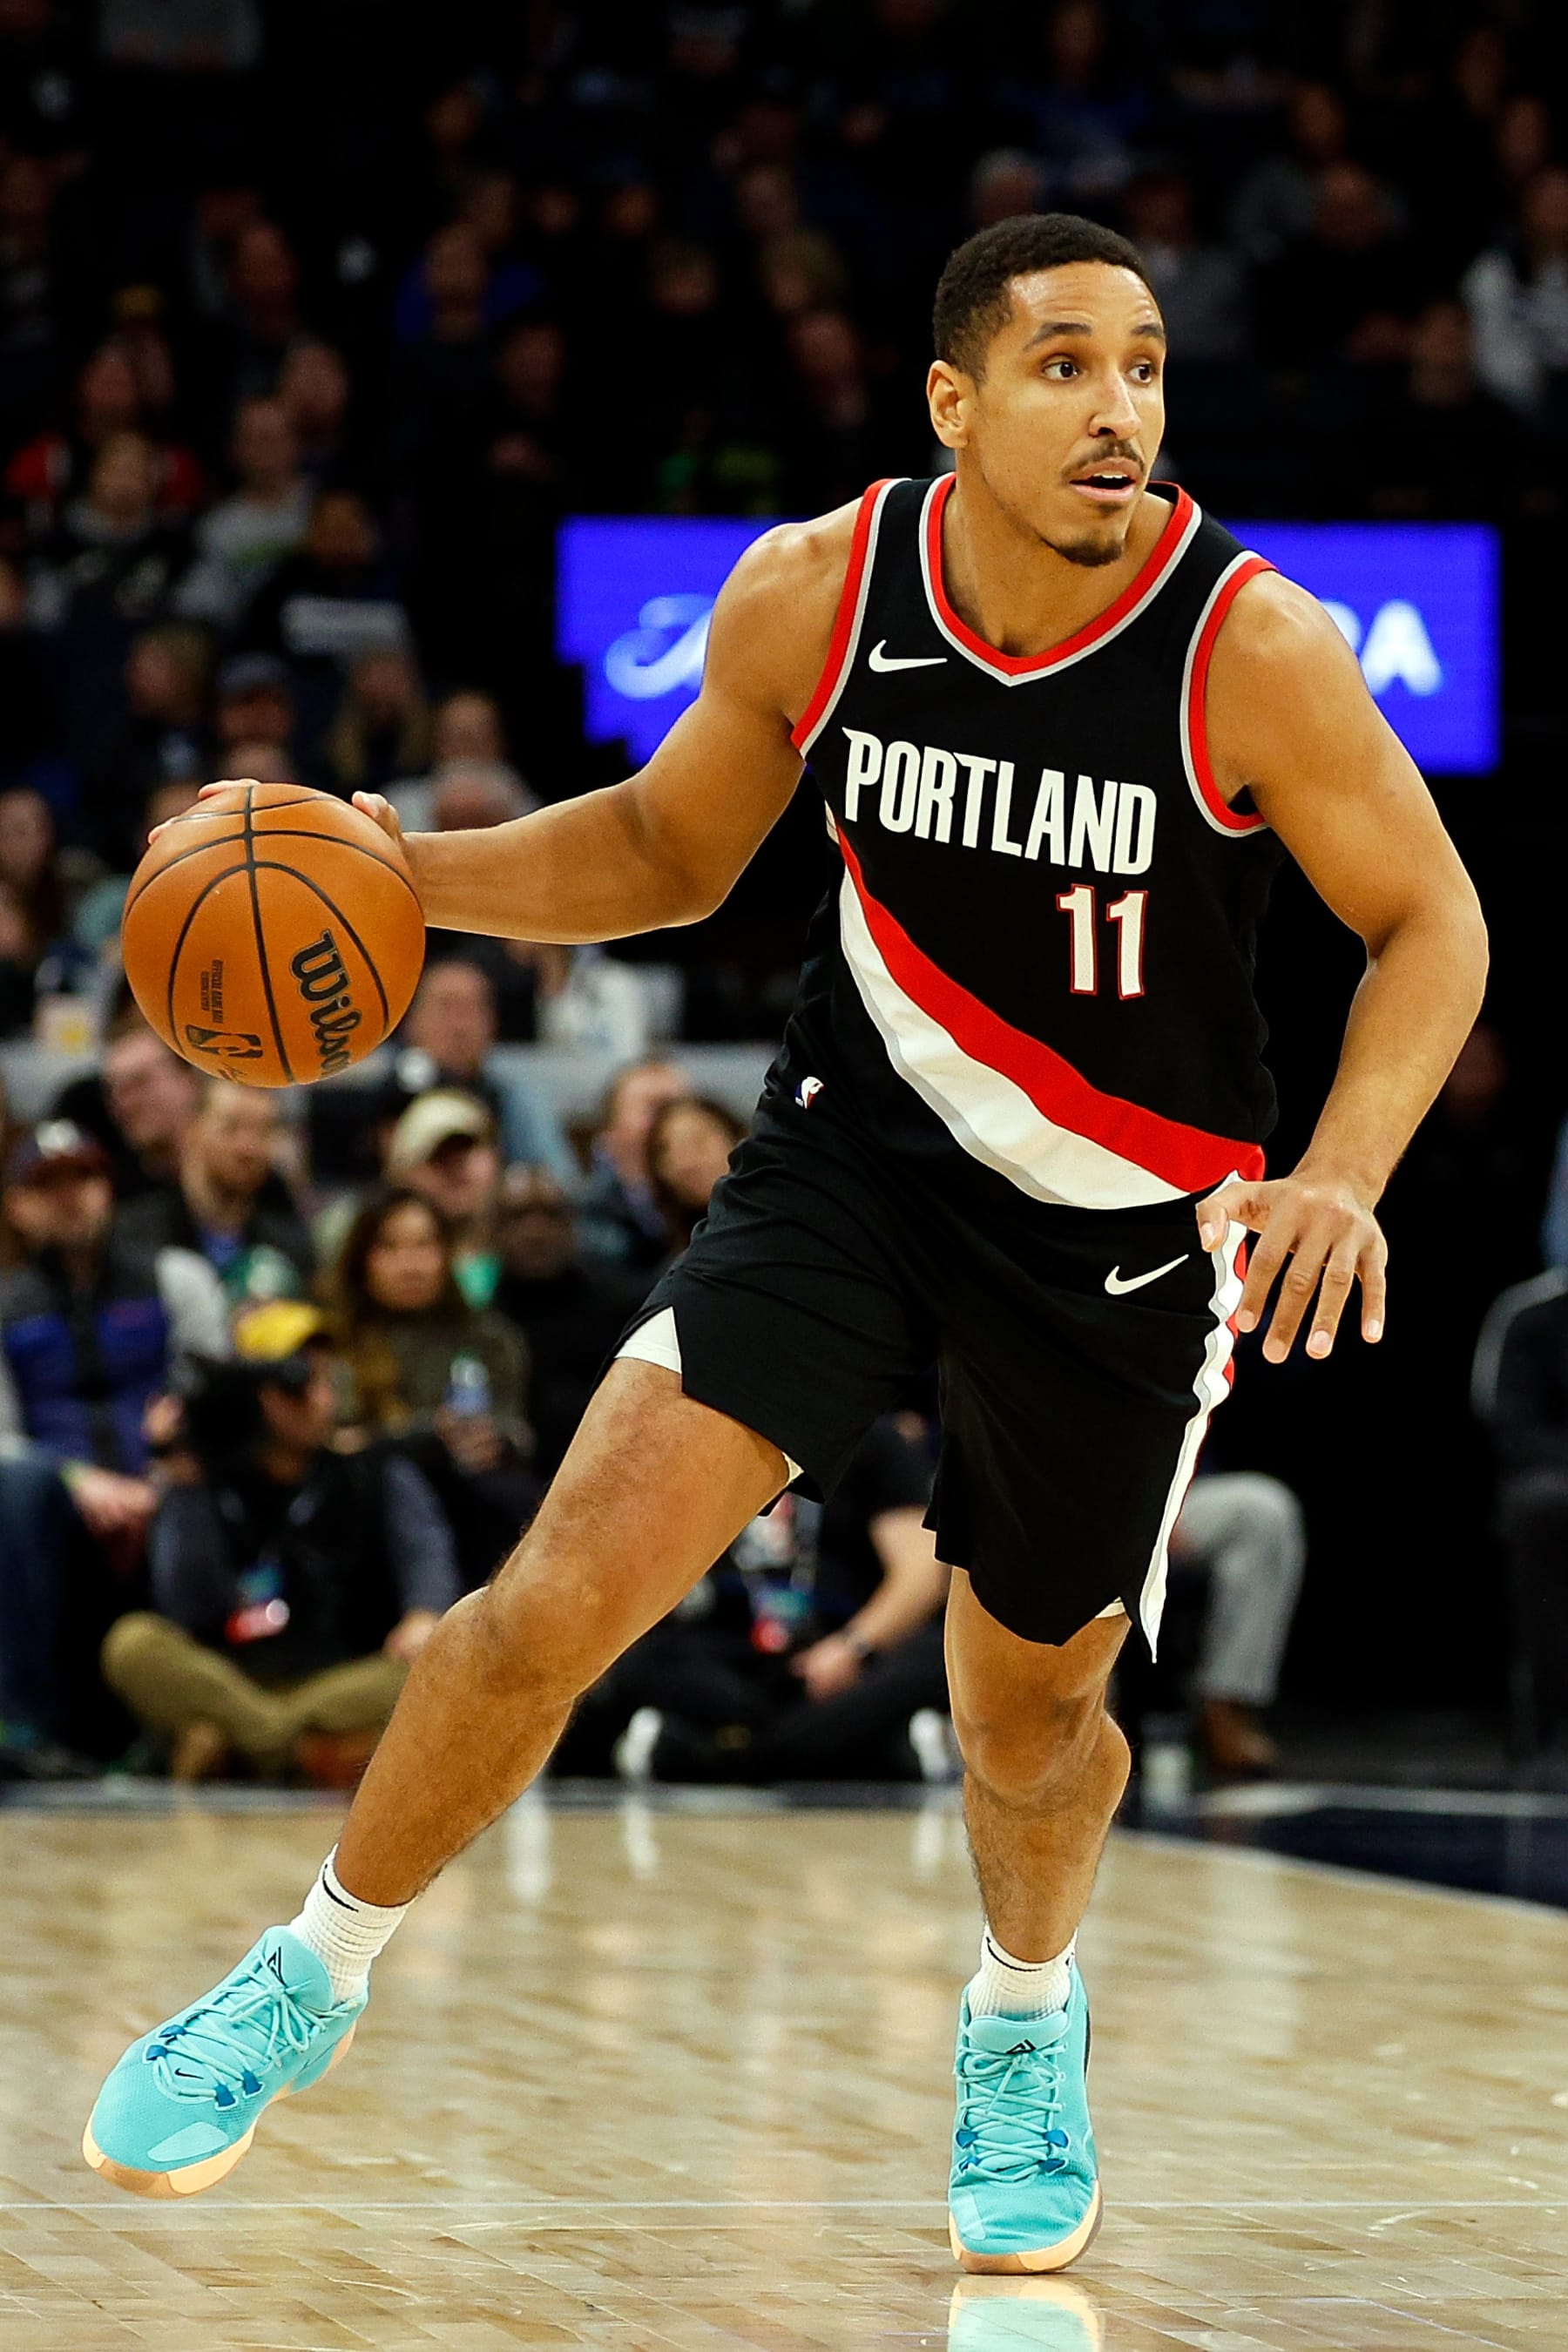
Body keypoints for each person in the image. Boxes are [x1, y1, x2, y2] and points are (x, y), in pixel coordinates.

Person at [87, 211, 1487, 2281]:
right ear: (954, 398)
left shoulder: (1248, 644)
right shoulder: (819, 595)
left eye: (1147, 369)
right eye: (1067, 367)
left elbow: (1432, 921)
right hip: (851, 1161)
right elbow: (664, 847)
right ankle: (308, 1968)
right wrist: (397, 867)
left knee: (1025, 1718)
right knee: (543, 1601)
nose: (1122, 410)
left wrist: (1347, 1168)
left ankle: (1022, 2020)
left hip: (1121, 1231)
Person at [101, 1303, 460, 1787]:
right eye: (297, 1387)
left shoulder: (370, 1470)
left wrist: (423, 1614)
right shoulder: (207, 1480)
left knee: (435, 1668)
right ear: (254, 1397)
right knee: (132, 1643)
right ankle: (290, 1752)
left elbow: (426, 1552)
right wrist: (184, 1483)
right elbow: (184, 1605)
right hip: (230, 1676)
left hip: (339, 1680)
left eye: (327, 1382)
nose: (320, 1401)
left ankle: (242, 1747)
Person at [0, 1120, 230, 1766]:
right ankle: (23, 1726)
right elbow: (3, 1435)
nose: (70, 1197)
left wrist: (162, 1470)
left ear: (110, 1190)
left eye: (86, 1178)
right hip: (56, 1506)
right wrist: (78, 1481)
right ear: (19, 1206)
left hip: (166, 1482)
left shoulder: (174, 1278)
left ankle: (185, 1716)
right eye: (48, 1185)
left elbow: (214, 1394)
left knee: (204, 1471)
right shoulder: (6, 1304)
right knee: (15, 1486)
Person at [608, 1409, 951, 1786]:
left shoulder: (874, 1439)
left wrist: (854, 1647)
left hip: (841, 1650)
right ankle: (858, 1754)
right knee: (636, 1658)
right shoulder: (704, 1432)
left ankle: (713, 1753)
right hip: (732, 1660)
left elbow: (921, 1575)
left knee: (938, 1656)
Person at [326, 1186, 535, 1585]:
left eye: (424, 1246)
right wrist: (424, 1437)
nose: (410, 1265)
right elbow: (337, 1445)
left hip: (478, 1500)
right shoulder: (335, 1343)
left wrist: (496, 1440)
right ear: (362, 1259)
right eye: (390, 1248)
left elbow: (520, 1431)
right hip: (373, 1513)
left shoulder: (491, 1338)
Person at [490, 1165, 645, 1480]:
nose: (535, 1232)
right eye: (518, 1217)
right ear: (494, 1231)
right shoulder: (482, 1323)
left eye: (551, 1215)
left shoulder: (622, 1309)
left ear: (572, 1223)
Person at [115, 1078, 314, 1304]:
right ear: (192, 1130)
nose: (248, 1148)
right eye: (231, 1127)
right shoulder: (135, 1237)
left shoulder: (291, 1247)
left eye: (264, 1131)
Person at [1168, 1470, 1306, 1776]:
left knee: (1261, 1512)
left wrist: (1161, 1506)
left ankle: (1224, 1702)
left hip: (1159, 1495)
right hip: (1074, 1503)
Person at [578, 1057, 695, 1268]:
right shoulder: (583, 1220)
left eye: (679, 1108)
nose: (670, 1122)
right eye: (654, 1108)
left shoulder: (719, 1211)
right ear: (608, 1133)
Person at [645, 1094, 748, 1255]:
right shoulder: (670, 1269)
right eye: (666, 1151)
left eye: (699, 1142)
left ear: (736, 1139)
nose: (686, 1163)